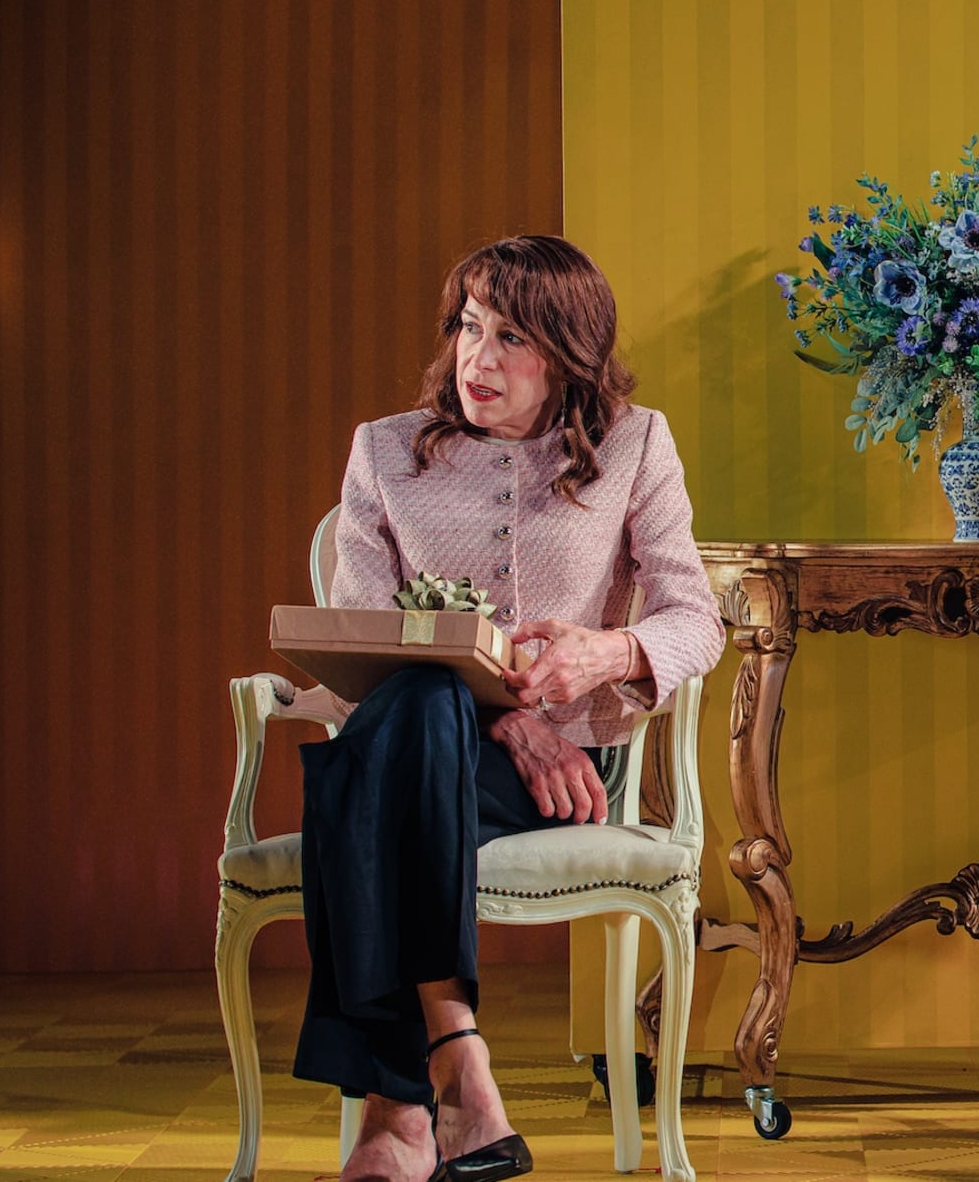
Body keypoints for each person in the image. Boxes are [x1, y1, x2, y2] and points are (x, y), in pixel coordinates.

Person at [294, 235, 724, 1182]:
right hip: (441, 747)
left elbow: (699, 617)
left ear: (569, 354)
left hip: (554, 782)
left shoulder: (634, 444)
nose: (477, 361)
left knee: (362, 779)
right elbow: (371, 642)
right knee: (411, 710)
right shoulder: (383, 451)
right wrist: (509, 716)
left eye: (512, 339)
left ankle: (398, 1109)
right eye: (467, 328)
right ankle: (456, 1072)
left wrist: (609, 650)